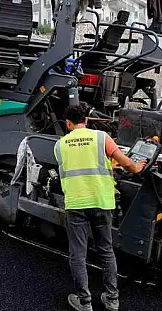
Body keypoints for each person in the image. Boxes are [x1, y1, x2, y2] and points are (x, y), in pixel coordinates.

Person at [54, 104, 145, 311]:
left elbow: (71, 166)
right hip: (102, 202)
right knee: (105, 250)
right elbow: (126, 164)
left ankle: (84, 302)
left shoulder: (60, 145)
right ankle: (112, 299)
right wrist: (137, 167)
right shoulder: (101, 137)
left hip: (76, 203)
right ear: (86, 120)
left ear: (68, 123)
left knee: (78, 254)